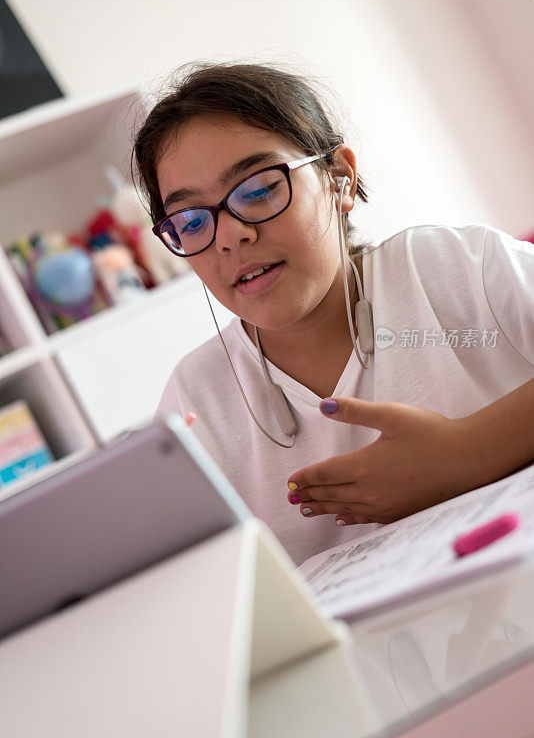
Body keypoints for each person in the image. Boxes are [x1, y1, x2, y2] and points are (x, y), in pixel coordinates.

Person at [133, 62, 534, 566]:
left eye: (258, 189)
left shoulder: (452, 267)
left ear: (340, 179)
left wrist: (466, 453)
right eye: (190, 221)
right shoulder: (197, 399)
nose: (231, 234)